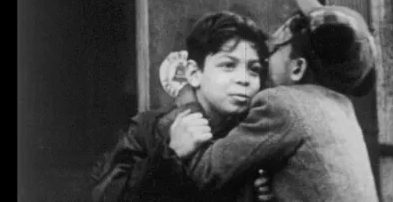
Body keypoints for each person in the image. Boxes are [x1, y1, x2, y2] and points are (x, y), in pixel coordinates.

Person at [169, 0, 380, 202]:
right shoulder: (341, 107)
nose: (267, 59)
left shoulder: (282, 105)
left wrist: (189, 98)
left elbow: (205, 173)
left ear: (297, 68)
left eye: (275, 49)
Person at [90, 10, 273, 202]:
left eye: (254, 69)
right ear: (194, 73)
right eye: (228, 65)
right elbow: (105, 196)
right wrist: (170, 156)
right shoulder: (149, 130)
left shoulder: (253, 136)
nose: (244, 80)